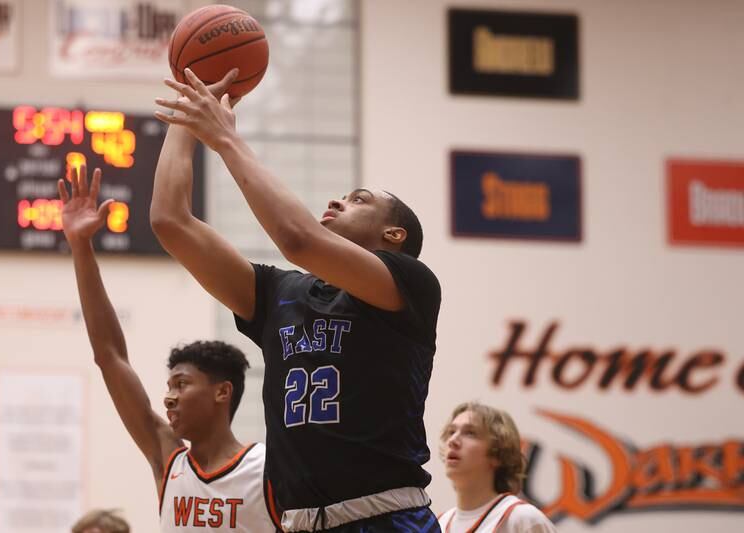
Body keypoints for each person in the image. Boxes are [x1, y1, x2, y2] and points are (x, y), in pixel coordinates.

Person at [150, 68, 442, 532]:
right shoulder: (282, 293)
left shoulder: (412, 285)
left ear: (394, 233)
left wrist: (227, 139)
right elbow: (170, 221)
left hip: (385, 517)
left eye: (358, 200)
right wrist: (188, 111)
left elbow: (297, 239)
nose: (338, 200)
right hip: (299, 522)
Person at [59, 165, 279, 532]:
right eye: (169, 387)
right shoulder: (169, 460)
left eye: (181, 384)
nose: (169, 398)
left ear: (222, 391)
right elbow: (109, 356)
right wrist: (81, 248)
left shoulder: (270, 466)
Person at [438, 402, 557, 532]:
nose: (452, 440)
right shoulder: (437, 524)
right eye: (451, 432)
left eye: (470, 433)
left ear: (498, 453)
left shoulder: (523, 520)